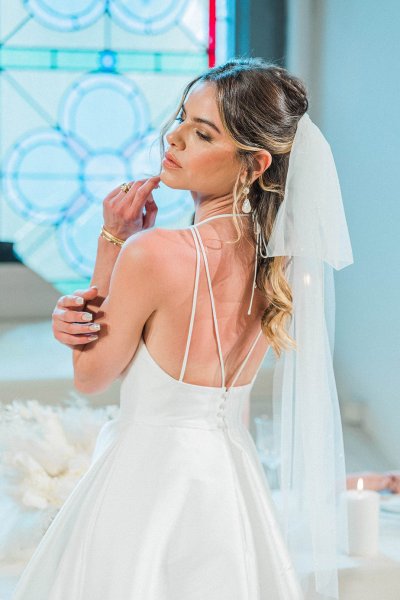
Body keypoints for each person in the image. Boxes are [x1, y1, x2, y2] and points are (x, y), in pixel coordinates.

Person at [12, 58, 327, 600]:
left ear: (253, 164)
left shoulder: (153, 252)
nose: (175, 137)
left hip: (148, 479)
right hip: (230, 482)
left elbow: (91, 376)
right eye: (183, 118)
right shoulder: (279, 264)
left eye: (202, 133)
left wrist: (112, 240)